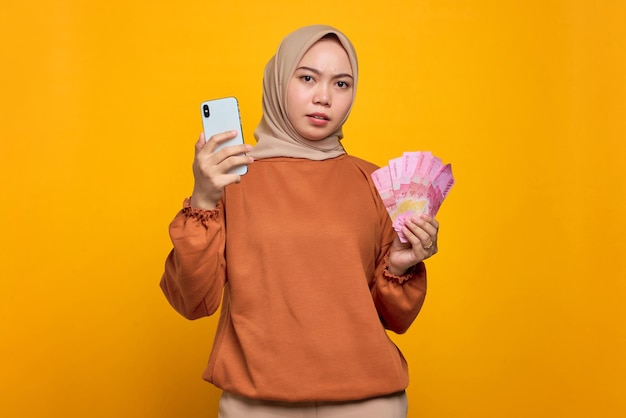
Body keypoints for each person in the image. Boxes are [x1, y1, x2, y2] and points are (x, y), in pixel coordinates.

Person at [160, 24, 440, 418]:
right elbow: (192, 300)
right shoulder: (232, 179)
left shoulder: (374, 183)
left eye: (341, 84)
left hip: (369, 403)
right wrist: (204, 197)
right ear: (278, 80)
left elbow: (394, 318)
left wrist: (399, 266)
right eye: (307, 78)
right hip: (257, 404)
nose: (323, 97)